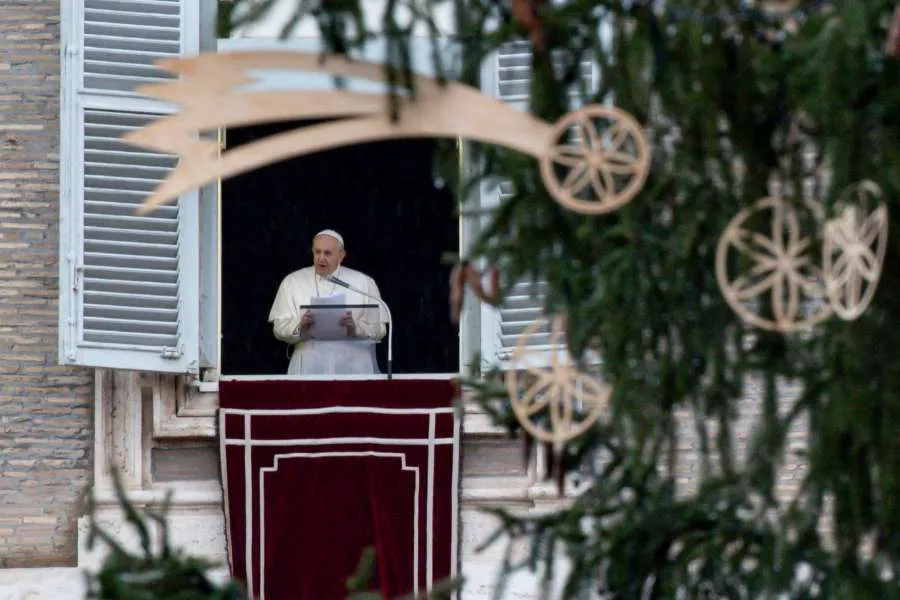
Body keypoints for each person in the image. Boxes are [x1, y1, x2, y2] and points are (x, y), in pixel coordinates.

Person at [268, 230, 388, 375]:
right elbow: (278, 328)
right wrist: (299, 326)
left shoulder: (363, 282)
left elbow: (380, 330)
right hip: (308, 366)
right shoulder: (293, 282)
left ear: (341, 255)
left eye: (327, 253)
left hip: (354, 367)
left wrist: (355, 329)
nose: (321, 258)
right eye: (317, 252)